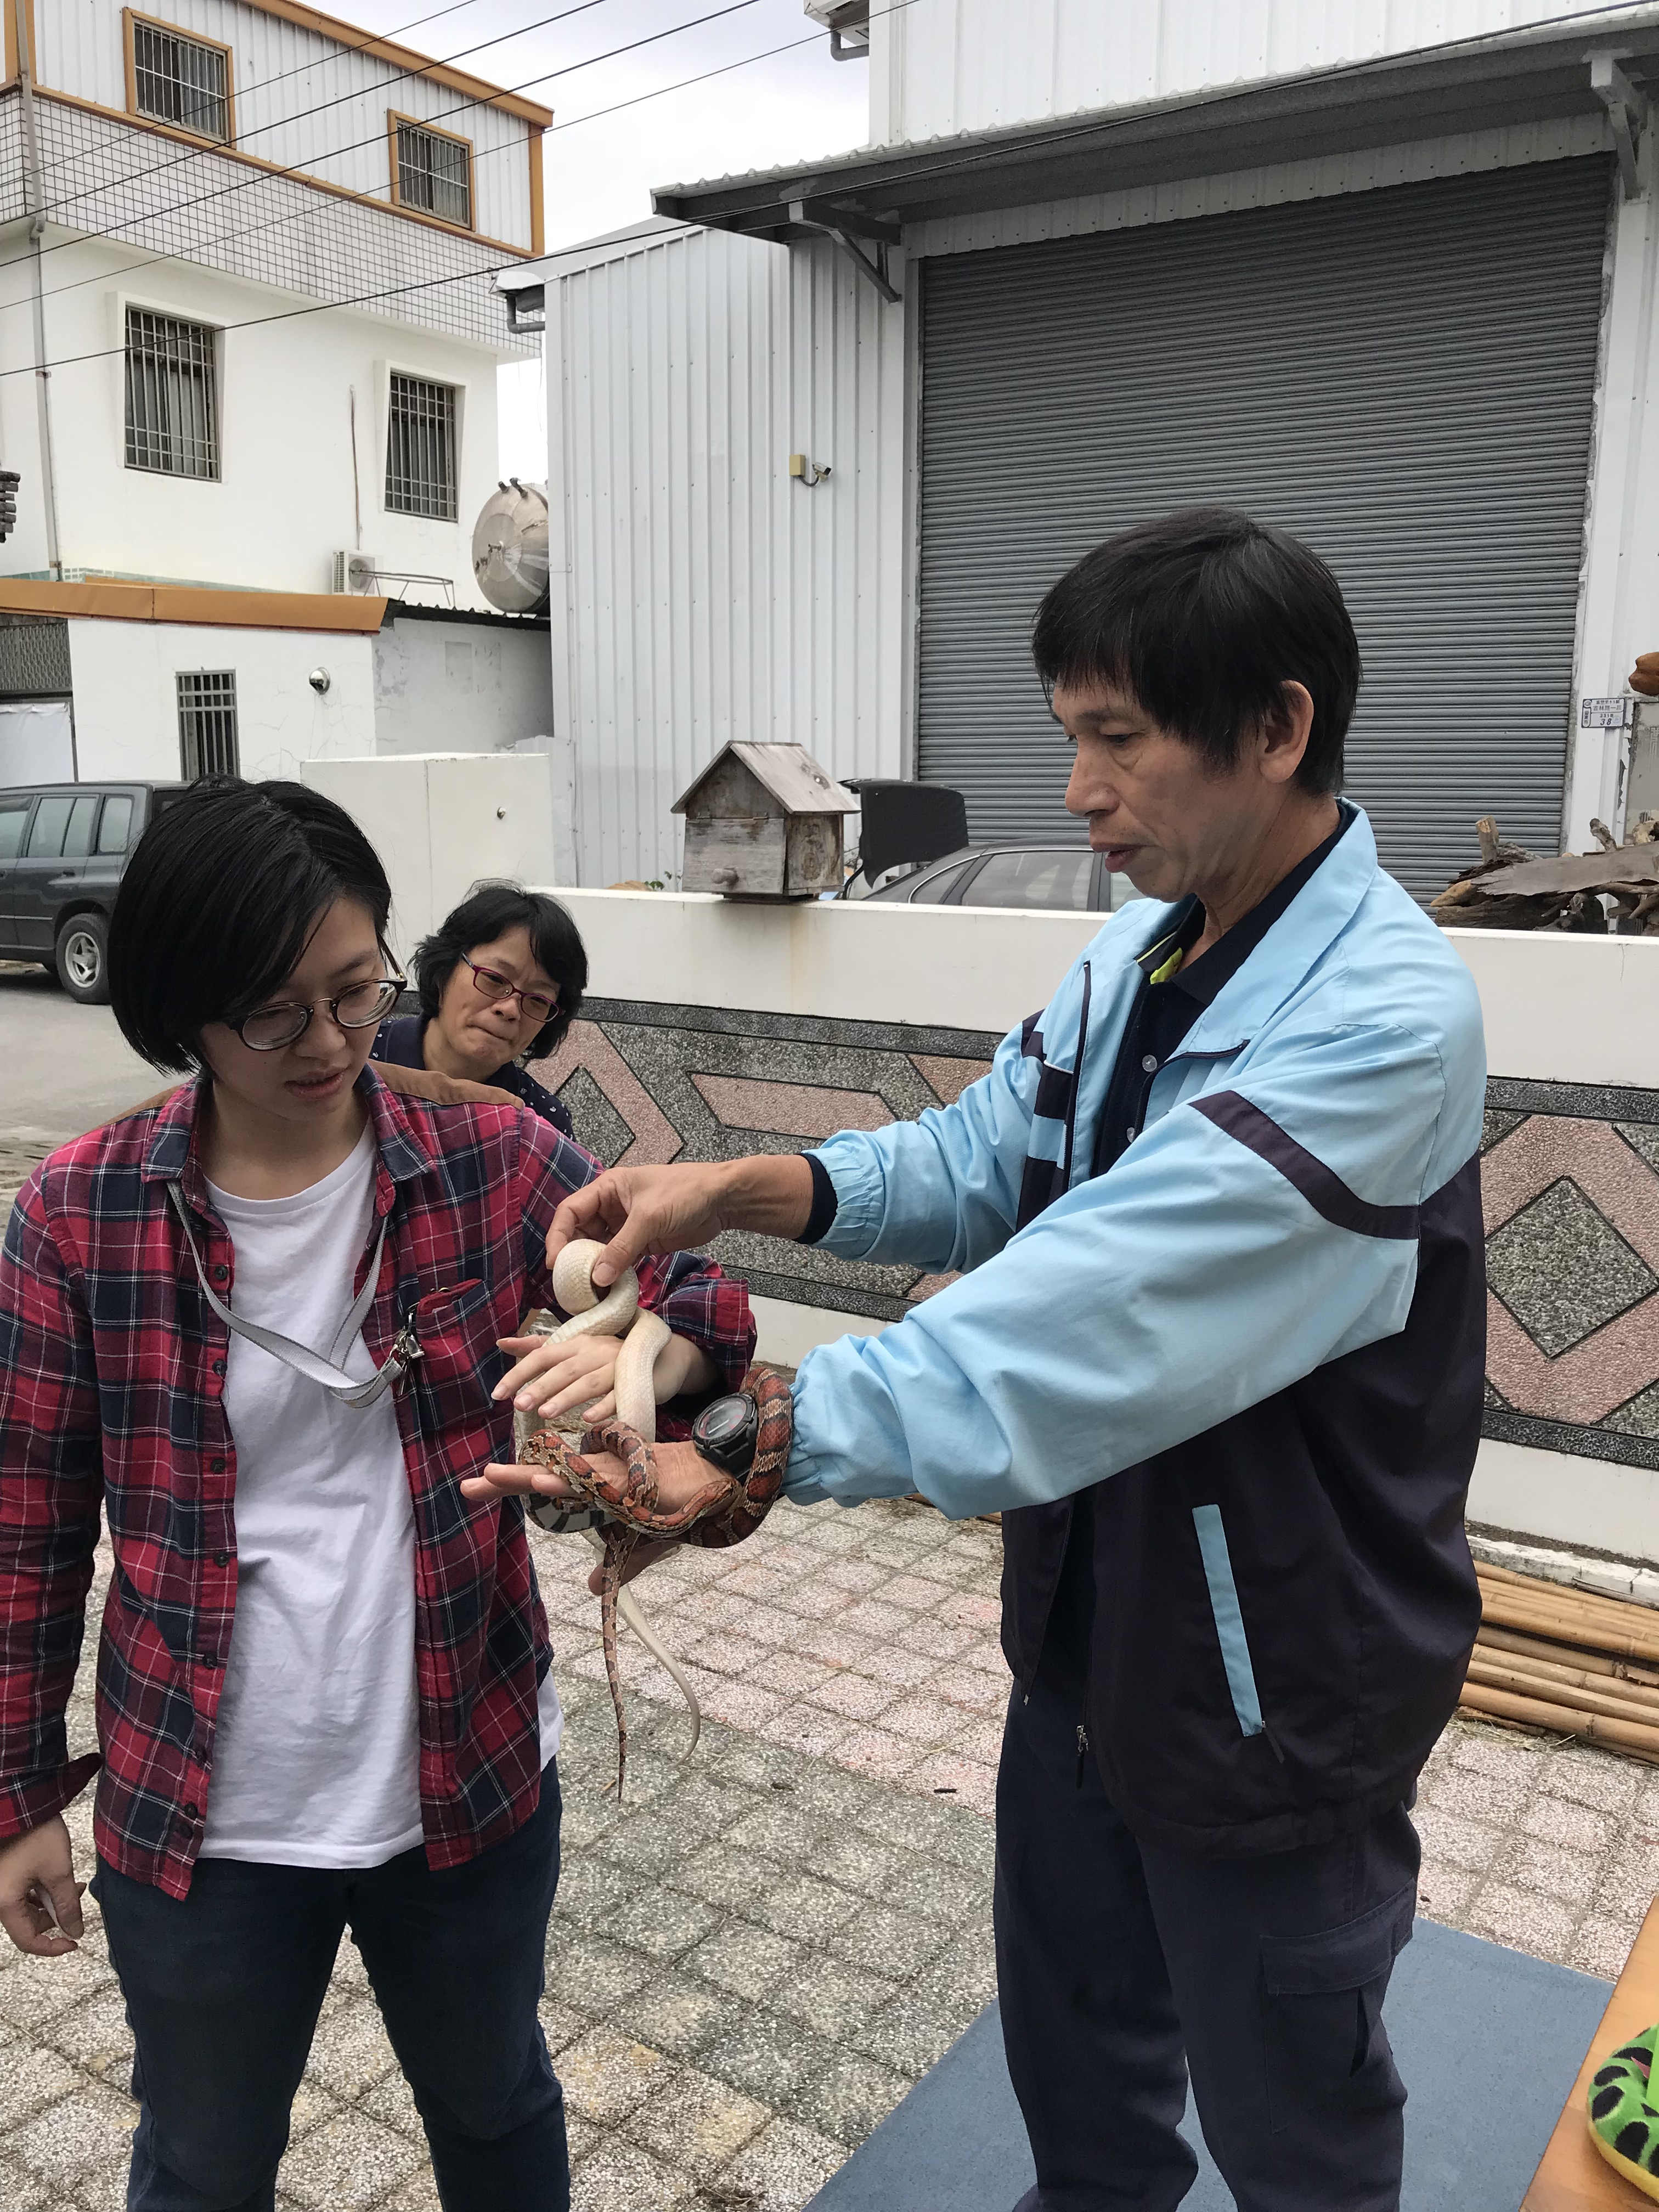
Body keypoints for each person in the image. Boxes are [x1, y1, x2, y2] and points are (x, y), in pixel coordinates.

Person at [469, 509, 1488, 2212]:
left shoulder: (1384, 1019)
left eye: (1117, 740)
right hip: (1087, 1633)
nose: (1079, 791)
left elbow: (1096, 1307)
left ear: (1277, 728)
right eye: (1070, 736)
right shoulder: (1140, 954)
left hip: (1275, 1688)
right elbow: (985, 1156)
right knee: (1079, 2069)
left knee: (1295, 2123)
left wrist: (754, 1432)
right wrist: (737, 1187)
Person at [0, 781, 754, 2212]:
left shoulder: (492, 1157)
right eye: (272, 1014)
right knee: (204, 2162)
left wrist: (638, 1356)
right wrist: (16, 1792)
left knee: (496, 2108)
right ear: (179, 1011)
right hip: (204, 1812)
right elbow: (25, 1530)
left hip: (467, 1766)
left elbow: (703, 1297)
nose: (331, 1043)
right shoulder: (78, 1216)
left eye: (358, 993)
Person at [371, 881, 585, 1137]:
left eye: (538, 1000)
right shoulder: (360, 1055)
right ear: (444, 971)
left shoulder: (543, 1124)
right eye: (494, 979)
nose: (510, 1009)